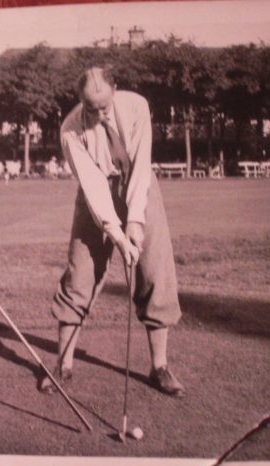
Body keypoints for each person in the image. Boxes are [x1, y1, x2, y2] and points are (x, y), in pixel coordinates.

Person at [40, 67, 185, 397]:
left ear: (115, 90)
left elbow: (141, 164)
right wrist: (118, 236)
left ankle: (159, 368)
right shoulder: (70, 130)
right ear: (81, 102)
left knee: (155, 272)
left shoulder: (136, 106)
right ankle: (63, 364)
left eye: (104, 106)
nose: (98, 113)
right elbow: (93, 187)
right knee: (80, 274)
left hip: (140, 185)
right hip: (96, 196)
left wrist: (134, 221)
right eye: (91, 107)